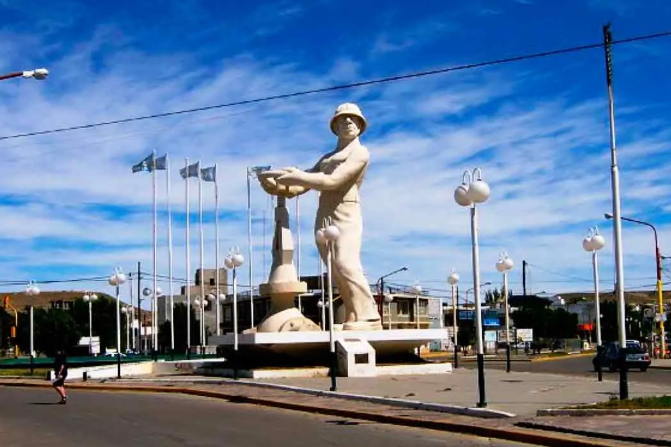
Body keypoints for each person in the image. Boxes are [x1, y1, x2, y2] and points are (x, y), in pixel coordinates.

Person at [259, 103, 382, 330]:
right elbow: (299, 188)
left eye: (352, 119)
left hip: (346, 212)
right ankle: (353, 316)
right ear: (334, 126)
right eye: (342, 119)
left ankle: (369, 316)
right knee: (335, 268)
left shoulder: (360, 153)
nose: (347, 122)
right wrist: (274, 186)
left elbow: (332, 181)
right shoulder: (327, 158)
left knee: (346, 262)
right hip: (324, 214)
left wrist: (297, 176)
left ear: (360, 125)